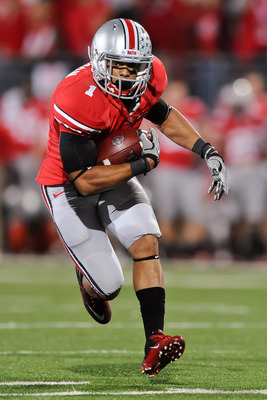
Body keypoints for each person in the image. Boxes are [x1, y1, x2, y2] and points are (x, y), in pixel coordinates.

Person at [36, 18, 228, 376]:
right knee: (109, 286)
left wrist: (207, 150)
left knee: (146, 242)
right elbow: (83, 181)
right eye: (117, 65)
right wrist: (141, 164)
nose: (125, 74)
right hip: (67, 185)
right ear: (97, 59)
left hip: (116, 170)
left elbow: (162, 115)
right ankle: (88, 282)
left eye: (133, 67)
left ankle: (154, 339)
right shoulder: (76, 98)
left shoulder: (151, 77)